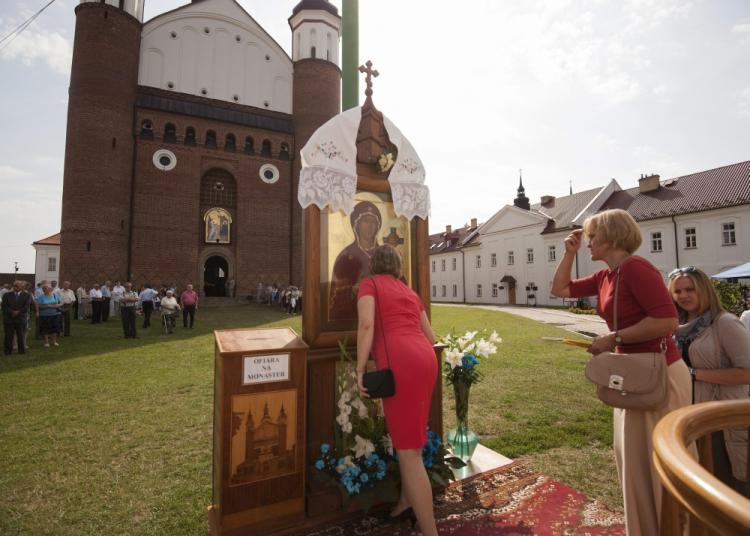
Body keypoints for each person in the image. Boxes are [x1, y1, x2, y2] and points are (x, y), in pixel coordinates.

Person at [551, 209, 691, 536]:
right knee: (633, 460)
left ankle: (671, 528)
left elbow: (668, 321)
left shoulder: (636, 268)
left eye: (592, 237)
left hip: (659, 376)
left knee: (652, 463)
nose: (588, 243)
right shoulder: (606, 275)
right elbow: (560, 289)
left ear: (612, 237)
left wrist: (613, 338)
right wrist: (568, 253)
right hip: (631, 375)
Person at [356, 245, 438, 536]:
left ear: (374, 264)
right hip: (426, 360)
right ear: (398, 267)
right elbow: (431, 336)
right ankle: (406, 501)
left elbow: (366, 326)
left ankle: (430, 531)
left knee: (408, 453)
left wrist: (359, 369)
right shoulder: (409, 291)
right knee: (412, 443)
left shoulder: (369, 284)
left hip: (401, 364)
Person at [669, 266, 750, 495]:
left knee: (723, 488)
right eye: (678, 291)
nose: (684, 295)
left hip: (720, 420)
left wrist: (694, 374)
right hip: (688, 415)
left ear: (704, 289)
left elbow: (747, 372)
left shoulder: (725, 323)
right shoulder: (677, 326)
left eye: (690, 289)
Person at [330, 201, 382, 321]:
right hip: (354, 313)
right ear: (356, 225)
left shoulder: (385, 254)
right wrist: (352, 290)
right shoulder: (345, 256)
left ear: (378, 226)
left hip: (381, 313)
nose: (370, 226)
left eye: (373, 222)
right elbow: (334, 295)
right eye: (366, 221)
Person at [2, 280, 32, 355]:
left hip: (21, 318)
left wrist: (18, 312)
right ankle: (8, 351)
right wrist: (12, 312)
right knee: (8, 336)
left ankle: (21, 351)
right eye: (14, 285)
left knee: (21, 335)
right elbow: (4, 306)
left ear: (21, 287)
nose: (15, 287)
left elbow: (27, 306)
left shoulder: (27, 295)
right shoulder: (7, 295)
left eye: (17, 286)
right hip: (9, 318)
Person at [37, 283, 62, 348]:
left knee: (55, 328)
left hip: (54, 314)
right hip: (44, 315)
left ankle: (54, 341)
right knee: (45, 328)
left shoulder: (55, 295)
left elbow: (61, 303)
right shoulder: (41, 297)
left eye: (45, 289)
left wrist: (55, 305)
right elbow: (39, 306)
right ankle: (46, 342)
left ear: (50, 289)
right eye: (43, 289)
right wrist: (50, 306)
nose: (44, 290)